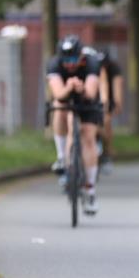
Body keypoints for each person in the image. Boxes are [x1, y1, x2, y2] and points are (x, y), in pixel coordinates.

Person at [47, 35, 102, 215]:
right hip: (66, 97)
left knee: (88, 137)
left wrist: (81, 89)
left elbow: (92, 93)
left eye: (73, 59)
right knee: (59, 106)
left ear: (81, 57)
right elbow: (58, 92)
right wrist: (69, 88)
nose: (70, 64)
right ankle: (62, 157)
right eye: (66, 60)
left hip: (87, 101)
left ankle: (90, 189)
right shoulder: (54, 64)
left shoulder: (92, 62)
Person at [83, 47, 123, 174]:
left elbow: (111, 88)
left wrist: (114, 104)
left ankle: (107, 152)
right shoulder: (86, 68)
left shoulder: (113, 69)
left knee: (105, 122)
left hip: (104, 98)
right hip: (87, 97)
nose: (102, 66)